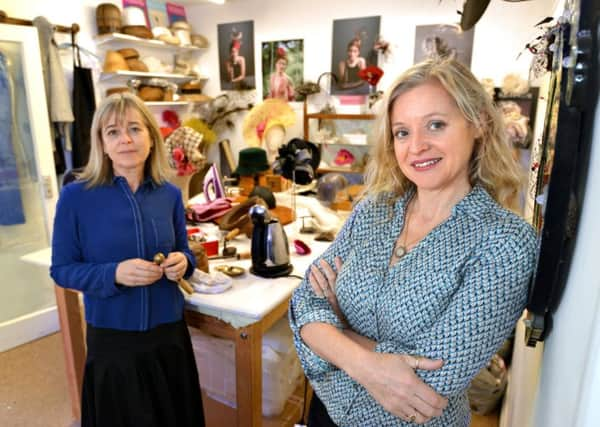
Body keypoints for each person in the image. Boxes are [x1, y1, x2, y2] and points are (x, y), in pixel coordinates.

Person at [289, 58, 537, 426]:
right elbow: (302, 303)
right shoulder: (374, 209)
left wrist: (334, 333)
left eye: (435, 125)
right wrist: (371, 364)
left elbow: (431, 378)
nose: (416, 146)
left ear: (479, 123)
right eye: (402, 132)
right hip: (326, 413)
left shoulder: (505, 242)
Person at [50, 93, 205, 427]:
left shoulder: (170, 194)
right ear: (102, 144)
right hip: (113, 339)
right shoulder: (76, 197)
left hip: (168, 336)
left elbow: (186, 252)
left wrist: (183, 262)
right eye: (113, 132)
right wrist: (114, 273)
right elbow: (62, 270)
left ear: (151, 137)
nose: (126, 140)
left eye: (135, 129)